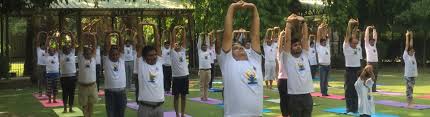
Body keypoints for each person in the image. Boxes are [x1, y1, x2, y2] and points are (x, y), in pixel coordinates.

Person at [220, 1, 263, 116]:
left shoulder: (255, 60)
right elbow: (228, 35)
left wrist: (254, 9)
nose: (241, 49)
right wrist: (232, 8)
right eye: (236, 48)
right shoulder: (228, 62)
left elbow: (255, 36)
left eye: (241, 47)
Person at [283, 13, 314, 117]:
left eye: (299, 45)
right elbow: (287, 40)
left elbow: (305, 37)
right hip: (294, 96)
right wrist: (288, 23)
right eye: (295, 45)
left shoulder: (304, 55)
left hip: (307, 95)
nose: (298, 46)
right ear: (290, 48)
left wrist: (303, 22)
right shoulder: (287, 58)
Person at [136, 23, 165, 117]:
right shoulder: (141, 63)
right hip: (145, 107)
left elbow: (157, 43)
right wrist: (141, 25)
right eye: (150, 55)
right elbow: (140, 44)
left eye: (154, 55)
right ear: (144, 57)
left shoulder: (159, 62)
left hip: (159, 107)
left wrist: (155, 26)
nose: (153, 57)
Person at [103, 31, 127, 117]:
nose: (115, 56)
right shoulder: (106, 60)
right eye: (113, 54)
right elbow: (106, 47)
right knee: (111, 114)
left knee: (121, 114)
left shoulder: (122, 59)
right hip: (110, 93)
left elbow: (122, 46)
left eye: (117, 54)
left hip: (121, 92)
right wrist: (108, 35)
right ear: (109, 55)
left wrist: (119, 34)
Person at [170, 26, 189, 117]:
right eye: (175, 44)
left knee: (184, 96)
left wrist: (183, 30)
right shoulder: (172, 53)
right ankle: (177, 114)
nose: (177, 45)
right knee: (176, 96)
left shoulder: (183, 51)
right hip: (176, 78)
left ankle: (182, 114)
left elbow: (184, 40)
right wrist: (174, 29)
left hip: (185, 76)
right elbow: (173, 40)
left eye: (178, 44)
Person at [78, 32, 98, 117]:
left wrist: (93, 36)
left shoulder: (93, 59)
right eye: (86, 53)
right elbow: (80, 47)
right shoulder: (81, 58)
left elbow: (94, 46)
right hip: (83, 86)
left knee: (91, 105)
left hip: (92, 86)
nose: (88, 54)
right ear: (83, 54)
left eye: (90, 53)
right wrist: (83, 36)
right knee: (84, 105)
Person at [343, 19, 361, 115]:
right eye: (353, 43)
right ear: (349, 42)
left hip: (358, 70)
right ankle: (349, 108)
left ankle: (355, 108)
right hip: (349, 70)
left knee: (357, 89)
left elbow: (354, 35)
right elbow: (348, 35)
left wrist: (356, 26)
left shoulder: (358, 47)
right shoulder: (346, 47)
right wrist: (350, 25)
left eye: (356, 43)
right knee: (349, 90)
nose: (355, 44)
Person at [59, 32, 77, 113]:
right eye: (65, 48)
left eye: (68, 48)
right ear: (63, 50)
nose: (67, 49)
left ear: (70, 49)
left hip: (72, 77)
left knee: (72, 93)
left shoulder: (72, 53)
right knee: (65, 93)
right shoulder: (61, 54)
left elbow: (73, 42)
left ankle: (70, 107)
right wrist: (61, 35)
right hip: (63, 77)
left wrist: (70, 34)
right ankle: (65, 108)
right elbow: (59, 43)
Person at [403, 30, 418, 108]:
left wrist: (411, 36)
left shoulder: (413, 56)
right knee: (409, 90)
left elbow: (411, 45)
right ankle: (409, 104)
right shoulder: (406, 56)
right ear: (408, 52)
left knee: (411, 90)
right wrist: (407, 36)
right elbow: (407, 45)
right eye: (411, 51)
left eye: (413, 51)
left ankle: (411, 103)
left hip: (413, 76)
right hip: (408, 76)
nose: (412, 51)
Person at [45, 33, 60, 104]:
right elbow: (46, 46)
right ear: (48, 51)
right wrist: (48, 39)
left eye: (52, 50)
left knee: (55, 88)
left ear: (54, 51)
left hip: (56, 74)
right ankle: (49, 100)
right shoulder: (47, 56)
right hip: (49, 74)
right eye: (50, 50)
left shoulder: (56, 55)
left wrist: (55, 39)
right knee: (49, 88)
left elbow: (57, 47)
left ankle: (54, 99)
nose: (51, 51)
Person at [316, 23, 331, 96]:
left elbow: (328, 37)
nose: (325, 42)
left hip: (328, 65)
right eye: (324, 42)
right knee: (323, 80)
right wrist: (319, 29)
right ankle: (323, 92)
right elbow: (318, 37)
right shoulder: (318, 47)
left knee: (326, 80)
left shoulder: (327, 46)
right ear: (321, 42)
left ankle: (325, 92)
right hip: (322, 66)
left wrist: (326, 29)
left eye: (325, 41)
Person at [277, 30, 289, 117]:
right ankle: (284, 115)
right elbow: (280, 46)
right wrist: (281, 35)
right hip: (282, 79)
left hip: (291, 79)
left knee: (291, 99)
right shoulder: (280, 53)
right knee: (283, 99)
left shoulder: (290, 53)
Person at [197, 33, 212, 101]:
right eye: (203, 47)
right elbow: (199, 44)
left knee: (207, 84)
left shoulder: (208, 50)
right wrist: (200, 36)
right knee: (202, 84)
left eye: (205, 46)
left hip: (208, 70)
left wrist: (207, 36)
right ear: (201, 47)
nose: (204, 47)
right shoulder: (200, 51)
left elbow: (208, 43)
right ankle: (202, 96)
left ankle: (206, 96)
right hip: (202, 70)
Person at [364, 26, 379, 92]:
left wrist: (374, 29)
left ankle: (373, 89)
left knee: (375, 76)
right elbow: (366, 37)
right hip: (370, 63)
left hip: (375, 63)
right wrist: (367, 29)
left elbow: (375, 37)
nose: (373, 42)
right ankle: (368, 88)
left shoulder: (374, 45)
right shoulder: (367, 45)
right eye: (371, 41)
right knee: (369, 76)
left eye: (373, 41)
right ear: (369, 41)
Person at [35, 31, 48, 97]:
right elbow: (37, 41)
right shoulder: (38, 50)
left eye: (45, 46)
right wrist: (39, 34)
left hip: (46, 66)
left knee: (46, 80)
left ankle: (46, 92)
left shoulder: (46, 51)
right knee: (40, 80)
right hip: (40, 66)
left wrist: (47, 35)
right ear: (41, 46)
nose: (44, 46)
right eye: (43, 46)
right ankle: (40, 92)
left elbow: (47, 43)